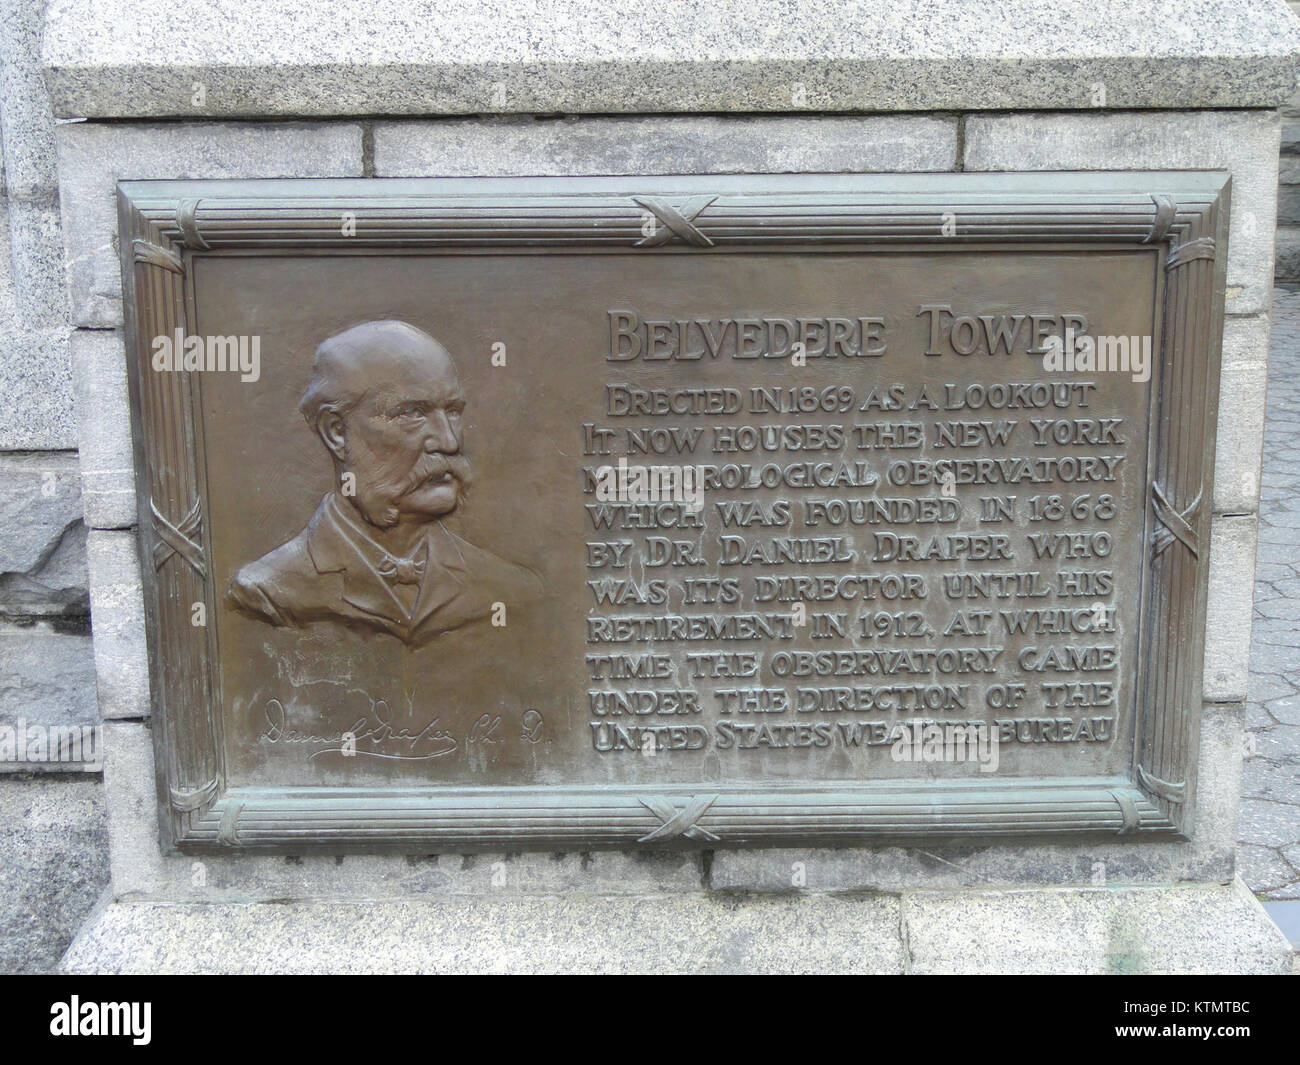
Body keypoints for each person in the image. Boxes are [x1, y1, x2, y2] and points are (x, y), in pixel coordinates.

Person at [226, 319, 541, 645]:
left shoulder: (511, 591)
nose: (448, 442)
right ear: (336, 431)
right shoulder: (268, 593)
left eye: (453, 411)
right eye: (412, 413)